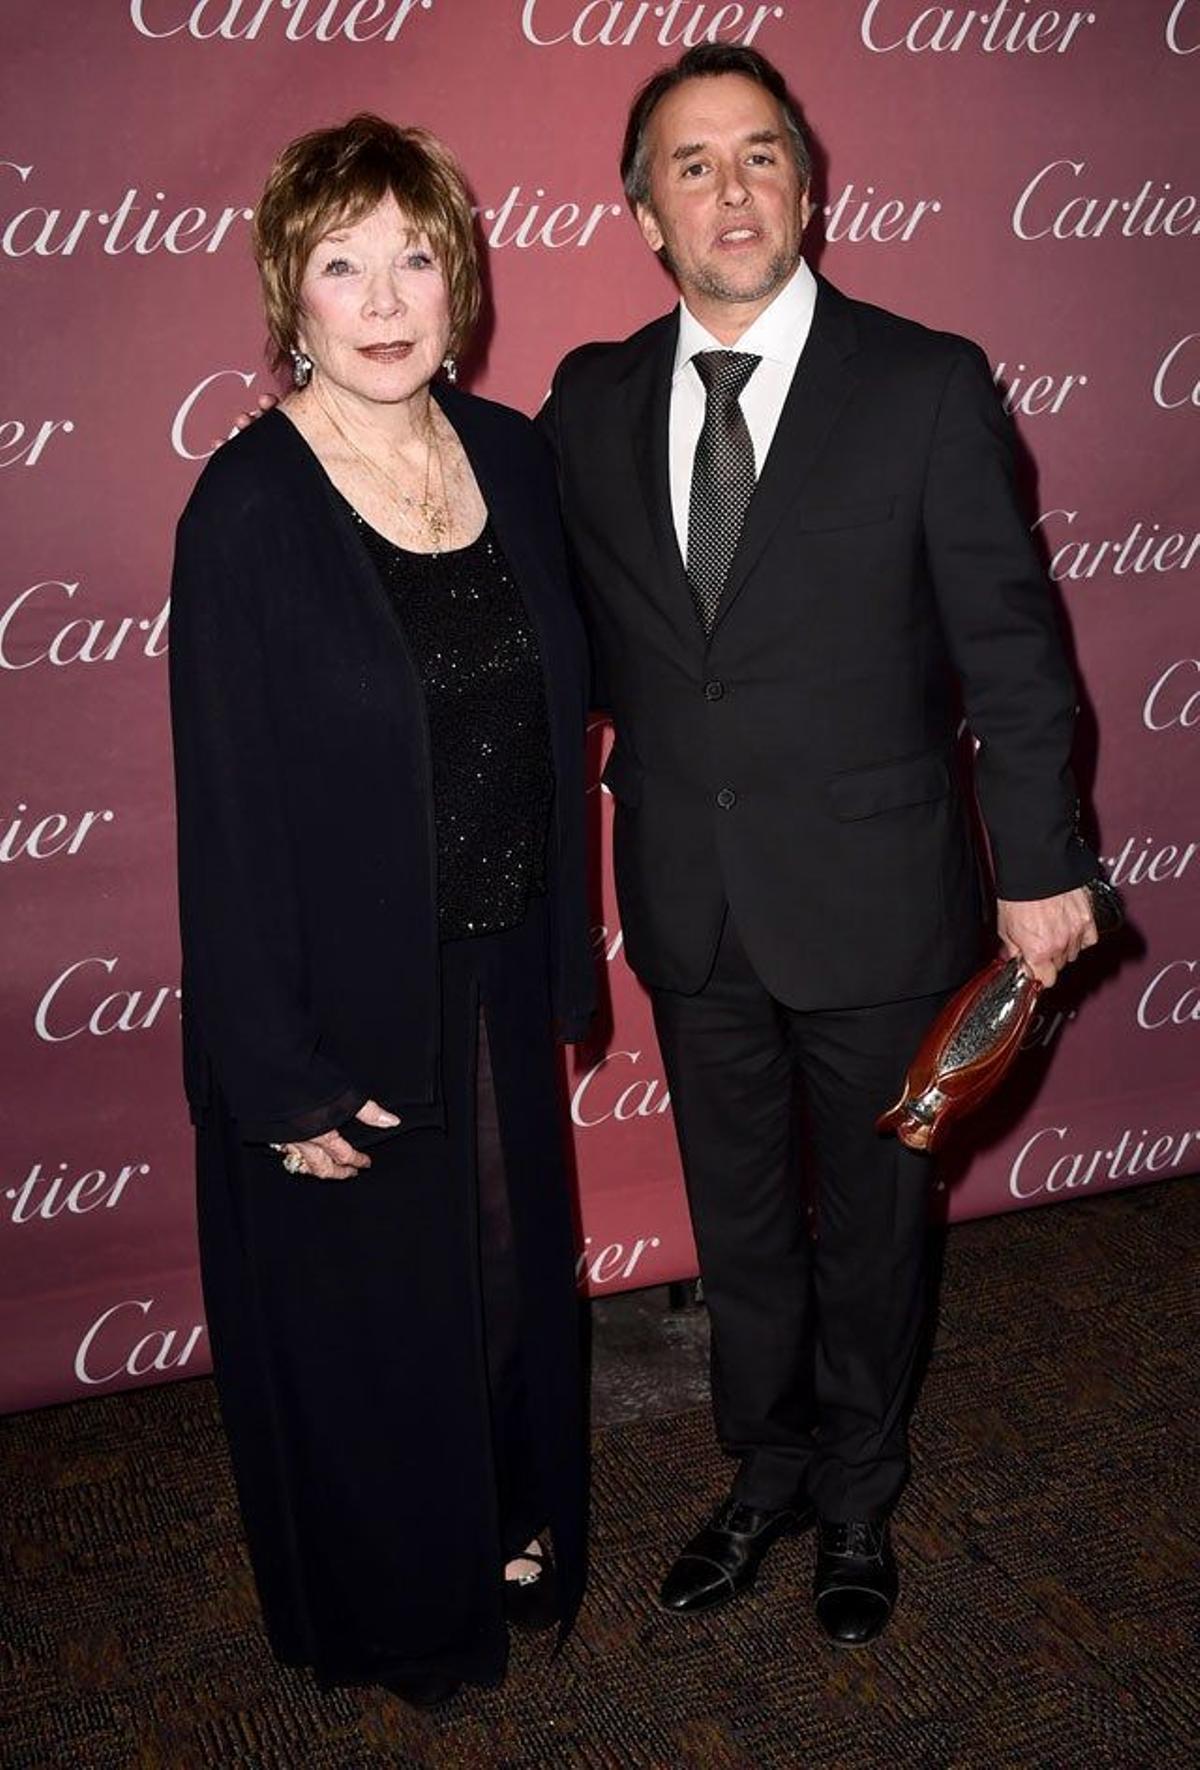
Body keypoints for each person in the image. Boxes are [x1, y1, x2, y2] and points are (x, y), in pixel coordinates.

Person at [540, 44, 1099, 1647]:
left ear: (812, 182)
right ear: (643, 208)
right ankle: (762, 1472)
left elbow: (1013, 644)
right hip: (691, 903)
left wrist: (1043, 857)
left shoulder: (925, 381)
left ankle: (858, 1492)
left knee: (872, 1234)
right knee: (737, 1230)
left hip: (878, 898)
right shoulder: (584, 401)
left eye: (762, 154)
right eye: (693, 163)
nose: (733, 188)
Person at [169, 114, 594, 1707]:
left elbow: (565, 695)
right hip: (336, 992)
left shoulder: (511, 455)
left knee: (492, 1280)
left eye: (414, 254)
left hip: (490, 968)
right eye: (341, 262)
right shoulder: (249, 511)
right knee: (367, 1324)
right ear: (291, 292)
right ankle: (398, 1602)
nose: (385, 296)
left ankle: (502, 1511)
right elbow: (226, 810)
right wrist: (270, 1072)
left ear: (459, 274)